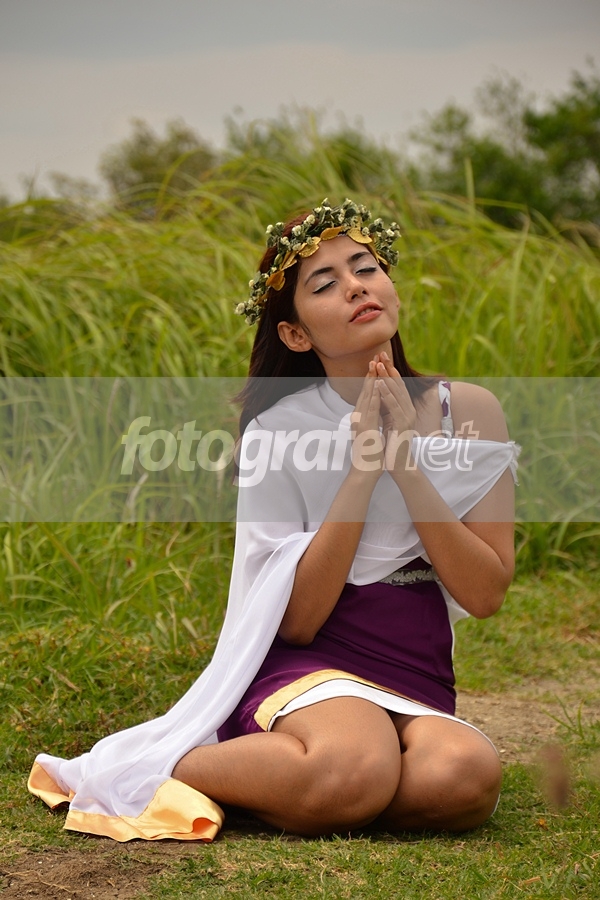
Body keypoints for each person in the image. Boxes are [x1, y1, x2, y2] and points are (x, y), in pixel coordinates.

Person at [29, 199, 520, 842]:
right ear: (295, 334)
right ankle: (160, 766)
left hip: (413, 663)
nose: (356, 287)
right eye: (325, 284)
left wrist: (405, 462)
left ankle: (322, 787)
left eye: (365, 267)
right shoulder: (277, 431)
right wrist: (363, 468)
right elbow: (297, 622)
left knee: (461, 778)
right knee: (355, 764)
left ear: (390, 285)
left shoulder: (471, 412)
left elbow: (485, 593)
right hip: (309, 661)